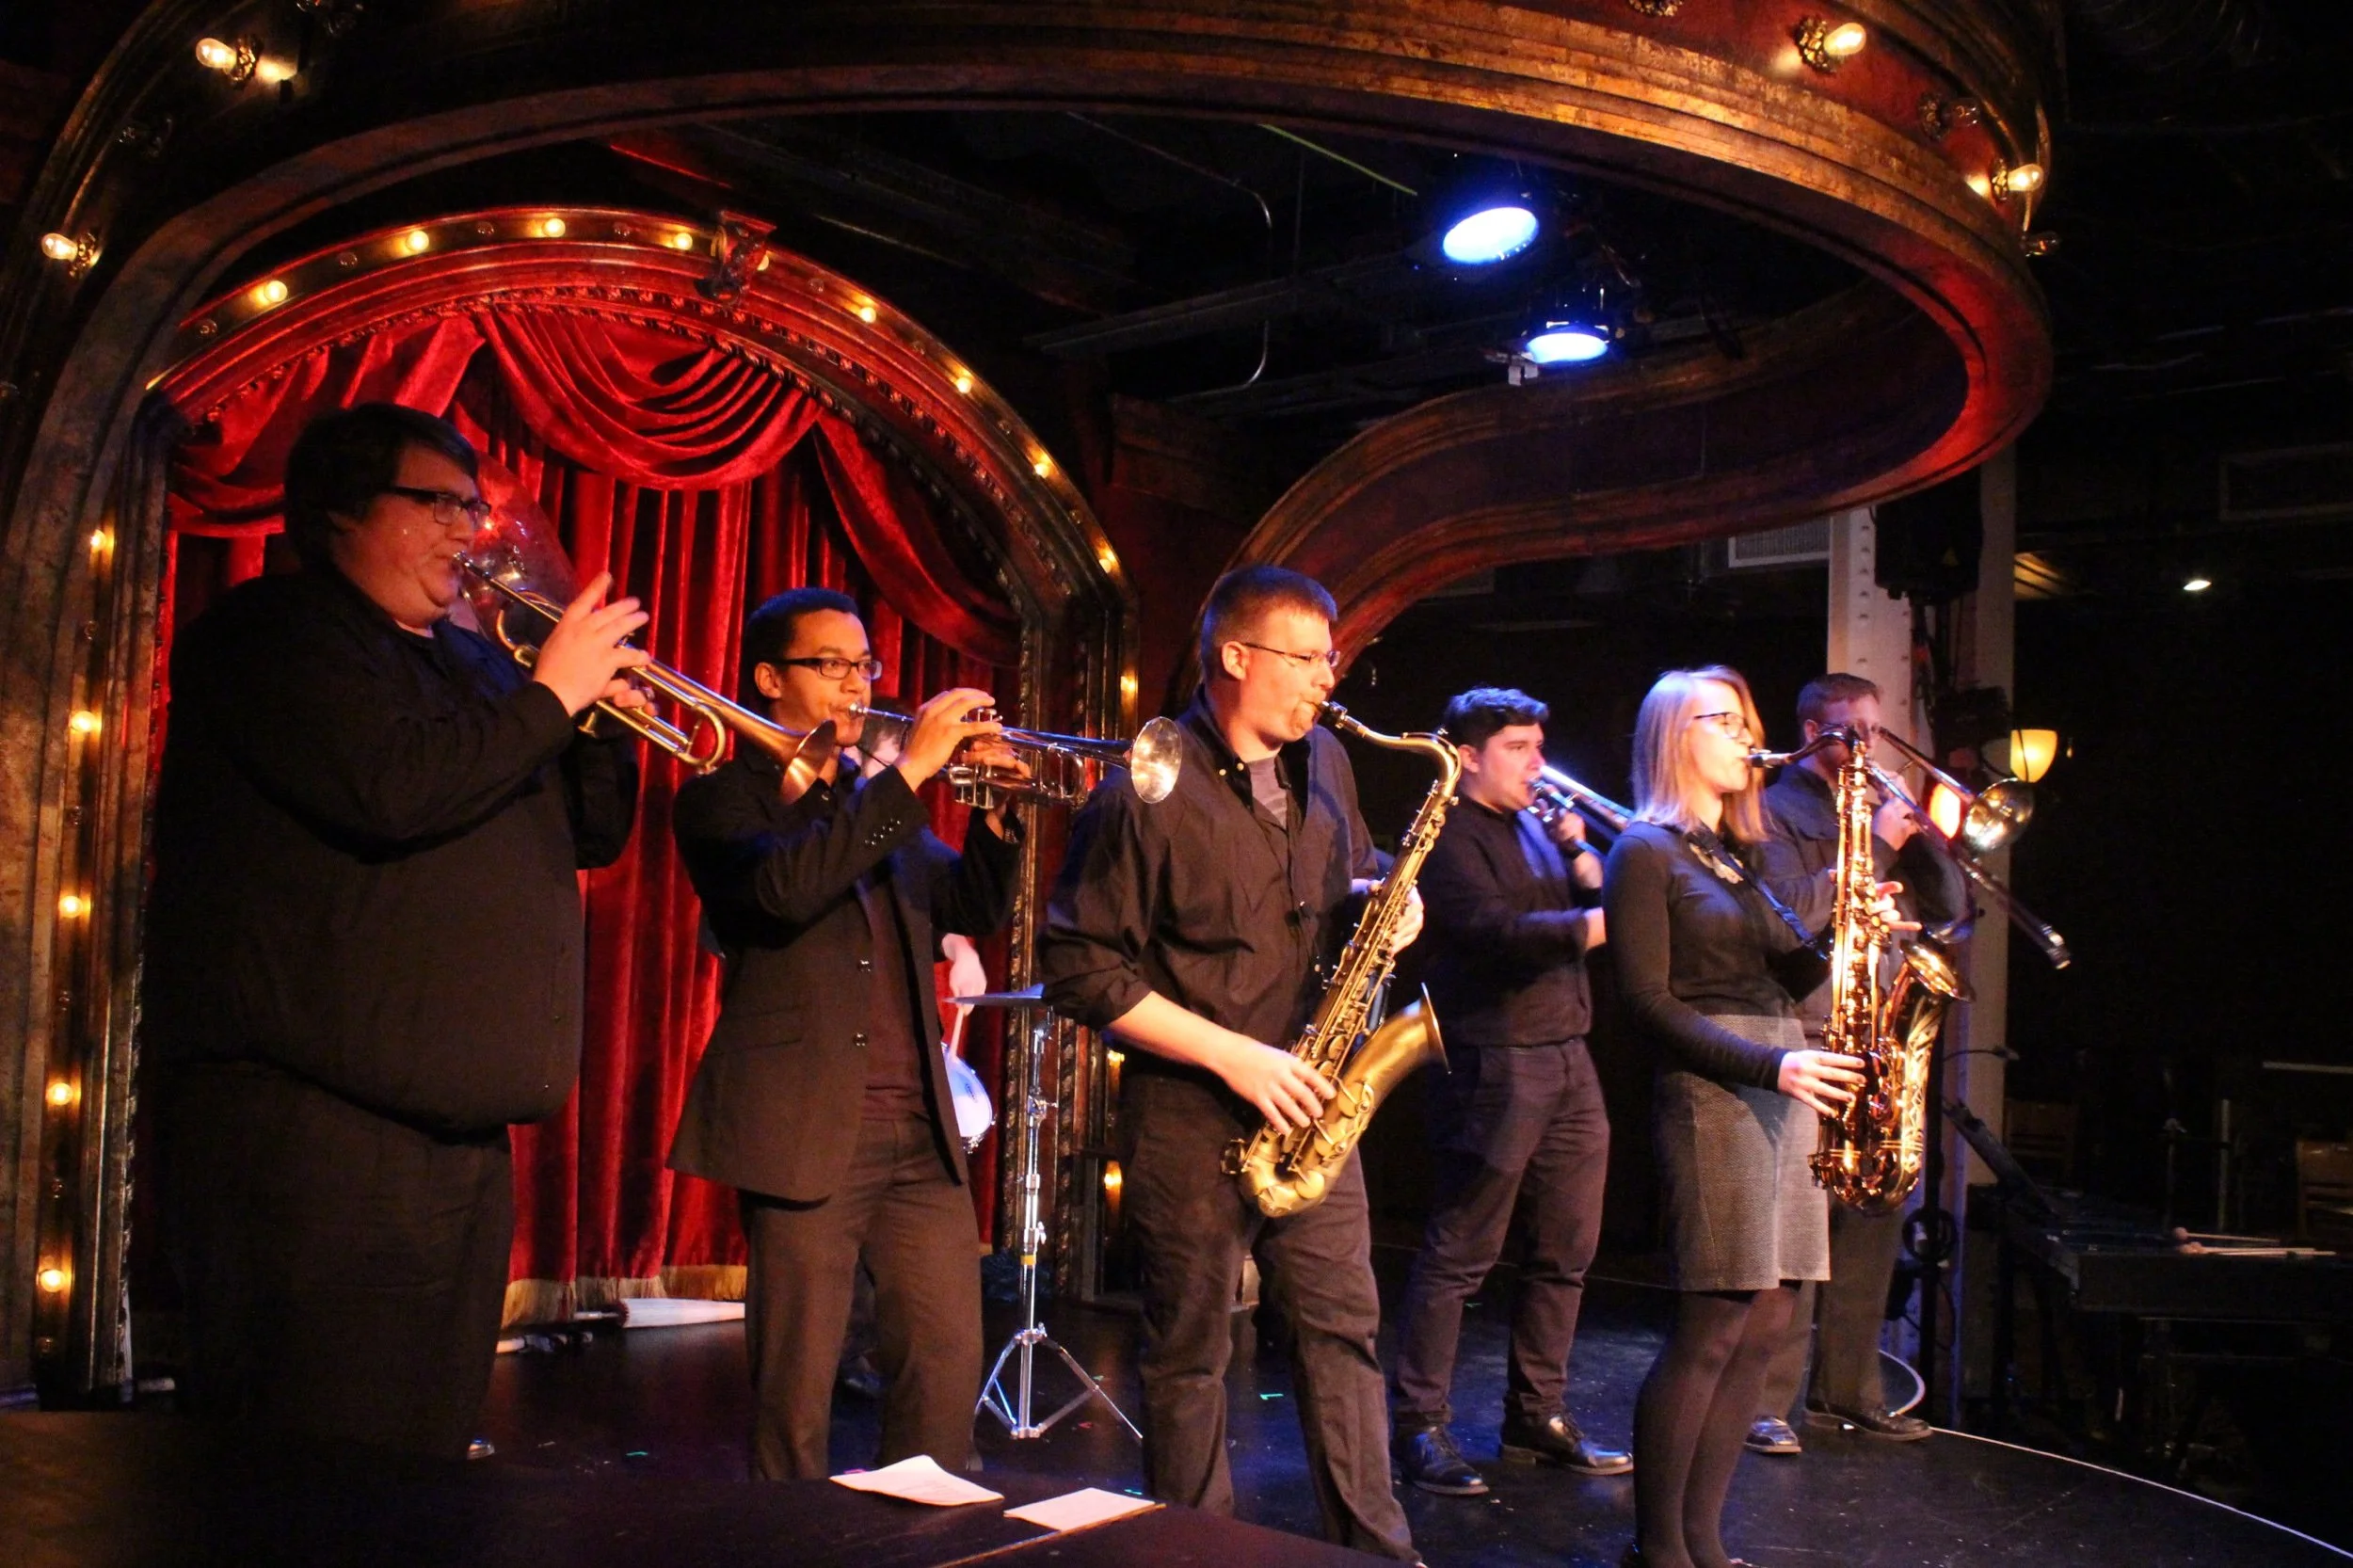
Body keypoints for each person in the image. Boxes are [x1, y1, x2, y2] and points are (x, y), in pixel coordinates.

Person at [144, 402, 646, 1458]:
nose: (470, 533)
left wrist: (595, 721)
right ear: (341, 511)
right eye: (438, 504)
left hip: (456, 1143)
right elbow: (390, 787)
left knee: (423, 1455)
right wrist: (549, 697)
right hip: (315, 1140)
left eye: (472, 507)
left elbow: (591, 832)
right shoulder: (272, 634)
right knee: (311, 1462)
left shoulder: (479, 666)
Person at [1038, 565, 1422, 1561]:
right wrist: (1237, 1057)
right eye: (1306, 659)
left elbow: (1347, 873)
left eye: (1331, 660)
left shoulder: (1325, 759)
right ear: (1236, 657)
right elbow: (1079, 967)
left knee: (1343, 1332)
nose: (1326, 681)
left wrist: (1384, 897)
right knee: (1190, 1356)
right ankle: (1195, 1552)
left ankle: (1376, 1552)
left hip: (1314, 1099)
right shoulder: (1145, 790)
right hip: (1190, 1112)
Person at [666, 587, 1022, 1480]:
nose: (858, 684)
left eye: (865, 665)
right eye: (833, 665)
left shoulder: (871, 803)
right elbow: (784, 891)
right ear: (768, 678)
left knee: (944, 1370)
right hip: (805, 1127)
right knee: (795, 1396)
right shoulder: (721, 801)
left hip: (919, 1135)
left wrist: (995, 816)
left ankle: (924, 1532)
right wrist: (912, 775)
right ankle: (788, 1540)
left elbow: (969, 904)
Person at [1601, 666, 1880, 1568]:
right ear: (1674, 737)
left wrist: (1846, 922)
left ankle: (1704, 1542)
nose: (1746, 736)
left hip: (1784, 1076)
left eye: (1745, 720)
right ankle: (1658, 1549)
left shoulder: (1737, 855)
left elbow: (1788, 976)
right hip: (1718, 1087)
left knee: (1766, 1323)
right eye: (1722, 721)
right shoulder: (1645, 850)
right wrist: (1774, 1063)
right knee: (1715, 1322)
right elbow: (1646, 1003)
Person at [1388, 687, 1631, 1496]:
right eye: (1519, 749)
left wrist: (1582, 858)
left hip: (1568, 1054)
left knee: (1567, 1248)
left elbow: (1582, 898)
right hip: (1496, 1061)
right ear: (1468, 757)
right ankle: (1419, 1424)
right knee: (1463, 1251)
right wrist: (1608, 921)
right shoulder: (1446, 834)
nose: (1538, 765)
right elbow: (1500, 936)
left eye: (1538, 747)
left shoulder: (1532, 823)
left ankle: (1536, 1414)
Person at [1747, 673, 1965, 1452]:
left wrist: (1928, 834)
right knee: (1801, 1227)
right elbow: (1790, 918)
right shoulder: (1775, 810)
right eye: (1853, 731)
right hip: (1810, 1028)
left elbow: (1950, 913)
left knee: (1875, 1210)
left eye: (1875, 730)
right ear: (1812, 732)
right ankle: (1768, 1402)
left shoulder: (1880, 804)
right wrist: (1877, 841)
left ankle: (1850, 1388)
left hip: (1879, 1032)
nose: (1868, 745)